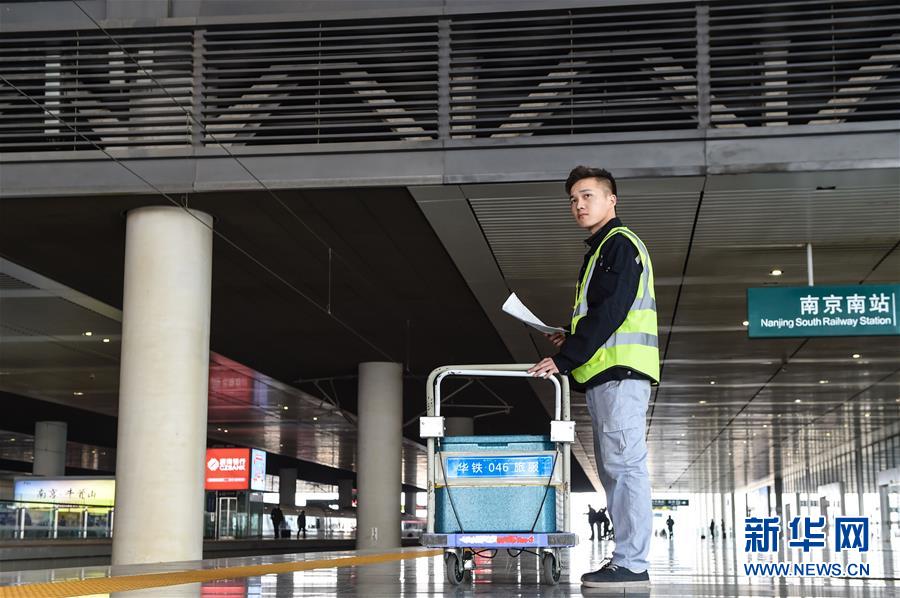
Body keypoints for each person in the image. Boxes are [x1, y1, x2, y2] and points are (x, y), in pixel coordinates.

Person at [529, 166, 658, 589]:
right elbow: (604, 314)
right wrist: (570, 338)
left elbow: (613, 311)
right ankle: (627, 558)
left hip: (621, 375)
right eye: (572, 199)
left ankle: (633, 563)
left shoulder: (620, 245)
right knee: (616, 471)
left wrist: (566, 358)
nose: (578, 205)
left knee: (625, 468)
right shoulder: (602, 248)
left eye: (587, 196)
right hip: (608, 374)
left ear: (611, 199)